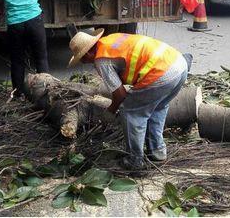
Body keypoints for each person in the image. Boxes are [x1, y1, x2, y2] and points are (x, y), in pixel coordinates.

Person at [67, 30, 190, 170]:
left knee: (131, 112)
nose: (85, 63)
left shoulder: (102, 60)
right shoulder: (110, 40)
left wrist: (110, 111)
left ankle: (135, 160)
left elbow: (120, 95)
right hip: (179, 64)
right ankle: (157, 152)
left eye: (82, 59)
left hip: (160, 73)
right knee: (158, 108)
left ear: (88, 53)